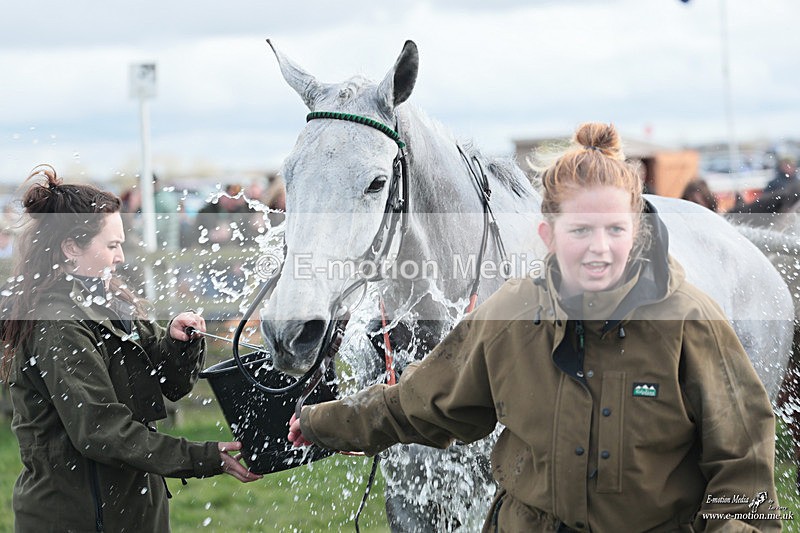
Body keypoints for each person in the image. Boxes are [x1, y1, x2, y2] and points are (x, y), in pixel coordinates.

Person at [288, 123, 780, 531]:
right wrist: (320, 423)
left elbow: (743, 476)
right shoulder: (510, 317)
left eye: (615, 229)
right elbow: (418, 404)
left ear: (639, 229)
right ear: (547, 235)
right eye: (580, 230)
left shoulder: (694, 325)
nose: (599, 247)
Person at [0, 165, 261, 532]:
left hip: (131, 507)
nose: (121, 256)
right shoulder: (56, 324)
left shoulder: (110, 301)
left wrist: (176, 343)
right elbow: (101, 431)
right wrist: (202, 456)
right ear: (72, 247)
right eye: (111, 245)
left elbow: (168, 385)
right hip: (78, 517)